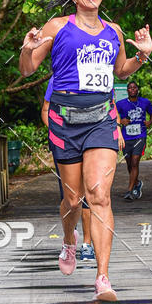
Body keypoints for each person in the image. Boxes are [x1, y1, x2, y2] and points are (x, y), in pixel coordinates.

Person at [20, 0, 152, 301]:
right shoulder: (58, 26)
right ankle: (69, 241)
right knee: (73, 199)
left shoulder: (113, 31)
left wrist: (142, 55)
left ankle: (103, 279)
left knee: (100, 195)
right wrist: (27, 48)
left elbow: (121, 71)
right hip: (65, 121)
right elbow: (27, 69)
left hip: (101, 120)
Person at [41, 75, 95, 262]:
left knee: (89, 195)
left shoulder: (96, 69)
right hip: (64, 142)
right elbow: (46, 110)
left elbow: (109, 104)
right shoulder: (57, 78)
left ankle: (87, 244)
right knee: (71, 199)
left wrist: (117, 127)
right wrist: (57, 132)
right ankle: (70, 237)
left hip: (91, 140)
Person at [116, 80, 152, 199]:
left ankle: (130, 190)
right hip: (126, 137)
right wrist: (121, 121)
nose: (133, 89)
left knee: (135, 162)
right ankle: (137, 183)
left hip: (140, 136)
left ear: (137, 90)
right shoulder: (120, 104)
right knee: (129, 164)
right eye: (130, 88)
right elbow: (113, 116)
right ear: (127, 90)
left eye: (135, 88)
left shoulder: (145, 102)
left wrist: (149, 122)